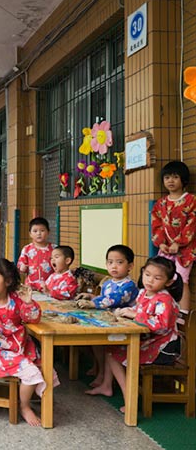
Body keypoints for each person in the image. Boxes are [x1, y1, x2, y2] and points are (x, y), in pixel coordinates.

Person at [0, 257, 59, 427]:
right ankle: (24, 406)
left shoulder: (16, 300)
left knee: (48, 370)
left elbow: (32, 319)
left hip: (22, 348)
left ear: (8, 281)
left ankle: (29, 393)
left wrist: (28, 302)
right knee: (32, 373)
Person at [85, 257, 181, 412]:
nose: (150, 280)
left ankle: (130, 397)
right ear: (142, 272)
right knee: (111, 349)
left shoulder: (164, 299)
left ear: (168, 282)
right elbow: (138, 311)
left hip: (163, 348)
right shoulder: (143, 293)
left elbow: (161, 326)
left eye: (157, 278)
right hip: (149, 340)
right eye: (147, 274)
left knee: (113, 353)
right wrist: (125, 313)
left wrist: (134, 315)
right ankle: (107, 386)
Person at [76, 244, 139, 385]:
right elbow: (104, 298)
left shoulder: (129, 285)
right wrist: (90, 296)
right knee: (96, 343)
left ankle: (103, 377)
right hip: (107, 322)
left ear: (130, 266)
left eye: (119, 262)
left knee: (104, 346)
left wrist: (93, 304)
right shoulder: (108, 283)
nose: (114, 266)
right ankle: (100, 371)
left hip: (123, 325)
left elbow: (114, 299)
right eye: (110, 262)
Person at [151, 160, 196, 312]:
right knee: (161, 278)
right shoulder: (161, 203)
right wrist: (161, 243)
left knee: (182, 280)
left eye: (175, 177)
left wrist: (179, 242)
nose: (170, 180)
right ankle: (164, 310)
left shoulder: (191, 200)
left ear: (183, 179)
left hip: (185, 250)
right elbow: (156, 224)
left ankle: (183, 315)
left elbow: (192, 223)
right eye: (167, 177)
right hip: (165, 248)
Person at [17, 217, 55, 292]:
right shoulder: (27, 249)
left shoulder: (54, 249)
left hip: (50, 286)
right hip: (31, 286)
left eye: (42, 230)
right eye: (35, 231)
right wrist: (22, 267)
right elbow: (20, 267)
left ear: (48, 232)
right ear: (30, 234)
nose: (39, 233)